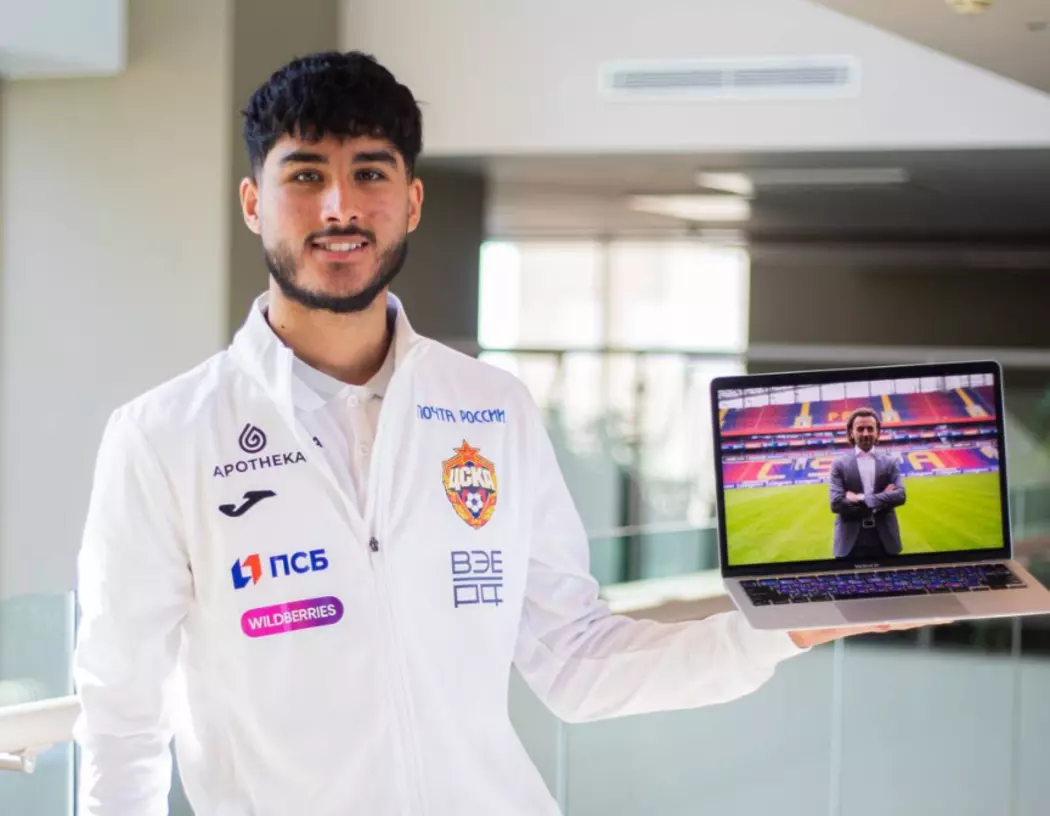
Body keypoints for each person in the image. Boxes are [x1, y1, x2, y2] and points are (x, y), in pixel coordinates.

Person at [73, 51, 921, 816]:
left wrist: (786, 627)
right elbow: (122, 715)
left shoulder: (491, 407)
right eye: (305, 175)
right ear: (255, 203)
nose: (339, 206)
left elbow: (577, 662)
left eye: (369, 172)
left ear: (411, 202)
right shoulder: (164, 437)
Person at [829, 407, 907, 559]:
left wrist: (861, 498)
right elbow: (836, 503)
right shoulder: (839, 464)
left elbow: (900, 496)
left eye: (870, 429)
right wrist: (883, 500)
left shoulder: (890, 462)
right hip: (850, 541)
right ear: (851, 432)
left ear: (877, 432)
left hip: (885, 539)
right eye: (860, 429)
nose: (865, 434)